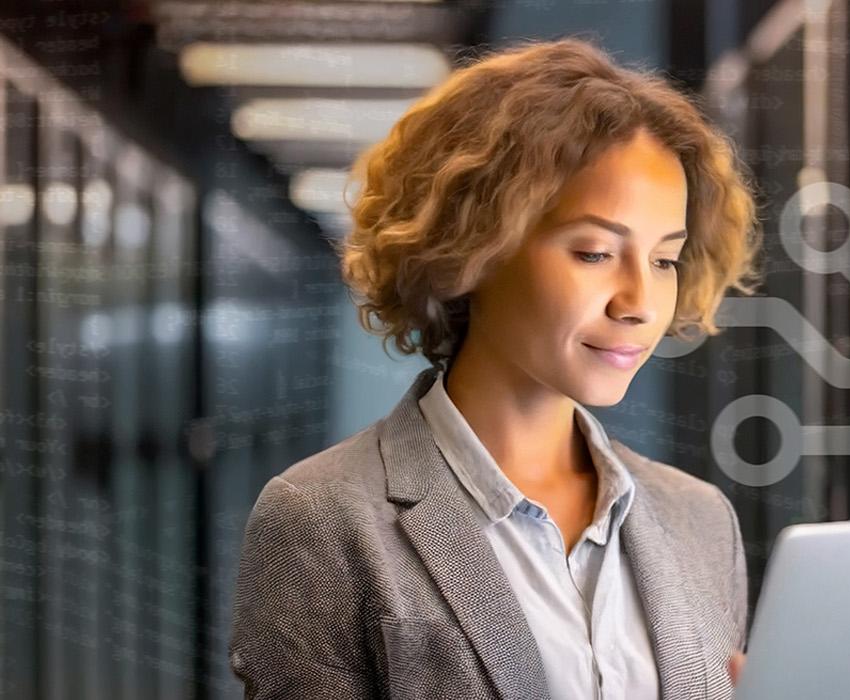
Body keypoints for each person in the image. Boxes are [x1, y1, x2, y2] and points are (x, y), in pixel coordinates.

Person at [226, 36, 764, 699]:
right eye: (595, 252)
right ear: (476, 249)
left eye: (663, 260)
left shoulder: (701, 521)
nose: (638, 304)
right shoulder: (320, 518)